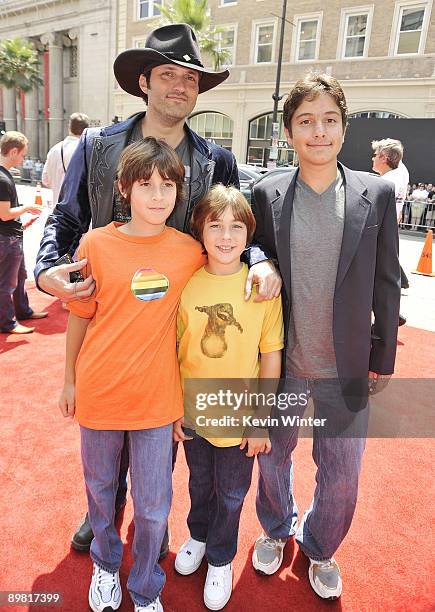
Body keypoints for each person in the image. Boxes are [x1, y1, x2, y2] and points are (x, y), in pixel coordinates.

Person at [35, 23, 280, 555]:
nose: (181, 86)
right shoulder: (99, 147)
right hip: (108, 309)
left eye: (191, 78)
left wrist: (260, 261)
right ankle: (105, 505)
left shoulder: (217, 160)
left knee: (159, 428)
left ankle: (152, 510)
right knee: (105, 424)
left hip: (178, 316)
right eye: (168, 75)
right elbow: (66, 215)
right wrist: (46, 269)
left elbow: (233, 224)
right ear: (144, 81)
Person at [246, 73, 400, 599]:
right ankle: (274, 528)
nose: (318, 132)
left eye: (329, 121)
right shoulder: (266, 192)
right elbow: (252, 249)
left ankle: (320, 546)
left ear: (344, 128)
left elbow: (386, 279)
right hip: (281, 362)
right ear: (289, 131)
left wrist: (384, 356)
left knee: (342, 472)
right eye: (306, 122)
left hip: (346, 363)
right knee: (272, 457)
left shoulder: (375, 193)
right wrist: (260, 260)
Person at [59, 138, 206, 612]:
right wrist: (69, 380)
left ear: (178, 192)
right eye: (146, 185)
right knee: (101, 495)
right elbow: (80, 314)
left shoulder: (189, 252)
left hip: (158, 401)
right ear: (125, 189)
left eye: (167, 185)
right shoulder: (96, 244)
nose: (158, 195)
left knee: (153, 507)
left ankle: (145, 587)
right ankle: (105, 566)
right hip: (100, 391)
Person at [174, 185, 283, 610]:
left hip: (240, 417)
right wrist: (172, 409)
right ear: (199, 231)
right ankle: (198, 536)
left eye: (236, 227)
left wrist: (261, 419)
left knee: (233, 493)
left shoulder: (262, 287)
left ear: (248, 234)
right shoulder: (186, 285)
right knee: (199, 482)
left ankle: (221, 557)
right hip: (193, 410)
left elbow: (271, 355)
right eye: (215, 226)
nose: (225, 236)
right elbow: (173, 351)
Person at [0, 131, 47, 334]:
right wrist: (26, 208)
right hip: (7, 238)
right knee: (7, 283)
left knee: (19, 277)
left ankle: (23, 311)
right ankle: (7, 322)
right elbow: (4, 214)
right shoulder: (2, 179)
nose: (23, 159)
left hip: (12, 238)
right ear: (13, 151)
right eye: (22, 155)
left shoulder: (5, 176)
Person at [371, 138, 409, 322]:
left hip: (377, 236)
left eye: (376, 155)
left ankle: (389, 315)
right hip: (389, 233)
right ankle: (392, 313)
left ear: (384, 157)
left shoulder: (385, 183)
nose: (373, 158)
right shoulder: (401, 176)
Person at [42, 112, 90, 207]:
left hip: (58, 209)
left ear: (69, 127)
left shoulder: (55, 149)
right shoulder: (88, 150)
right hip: (80, 212)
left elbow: (45, 180)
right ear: (87, 129)